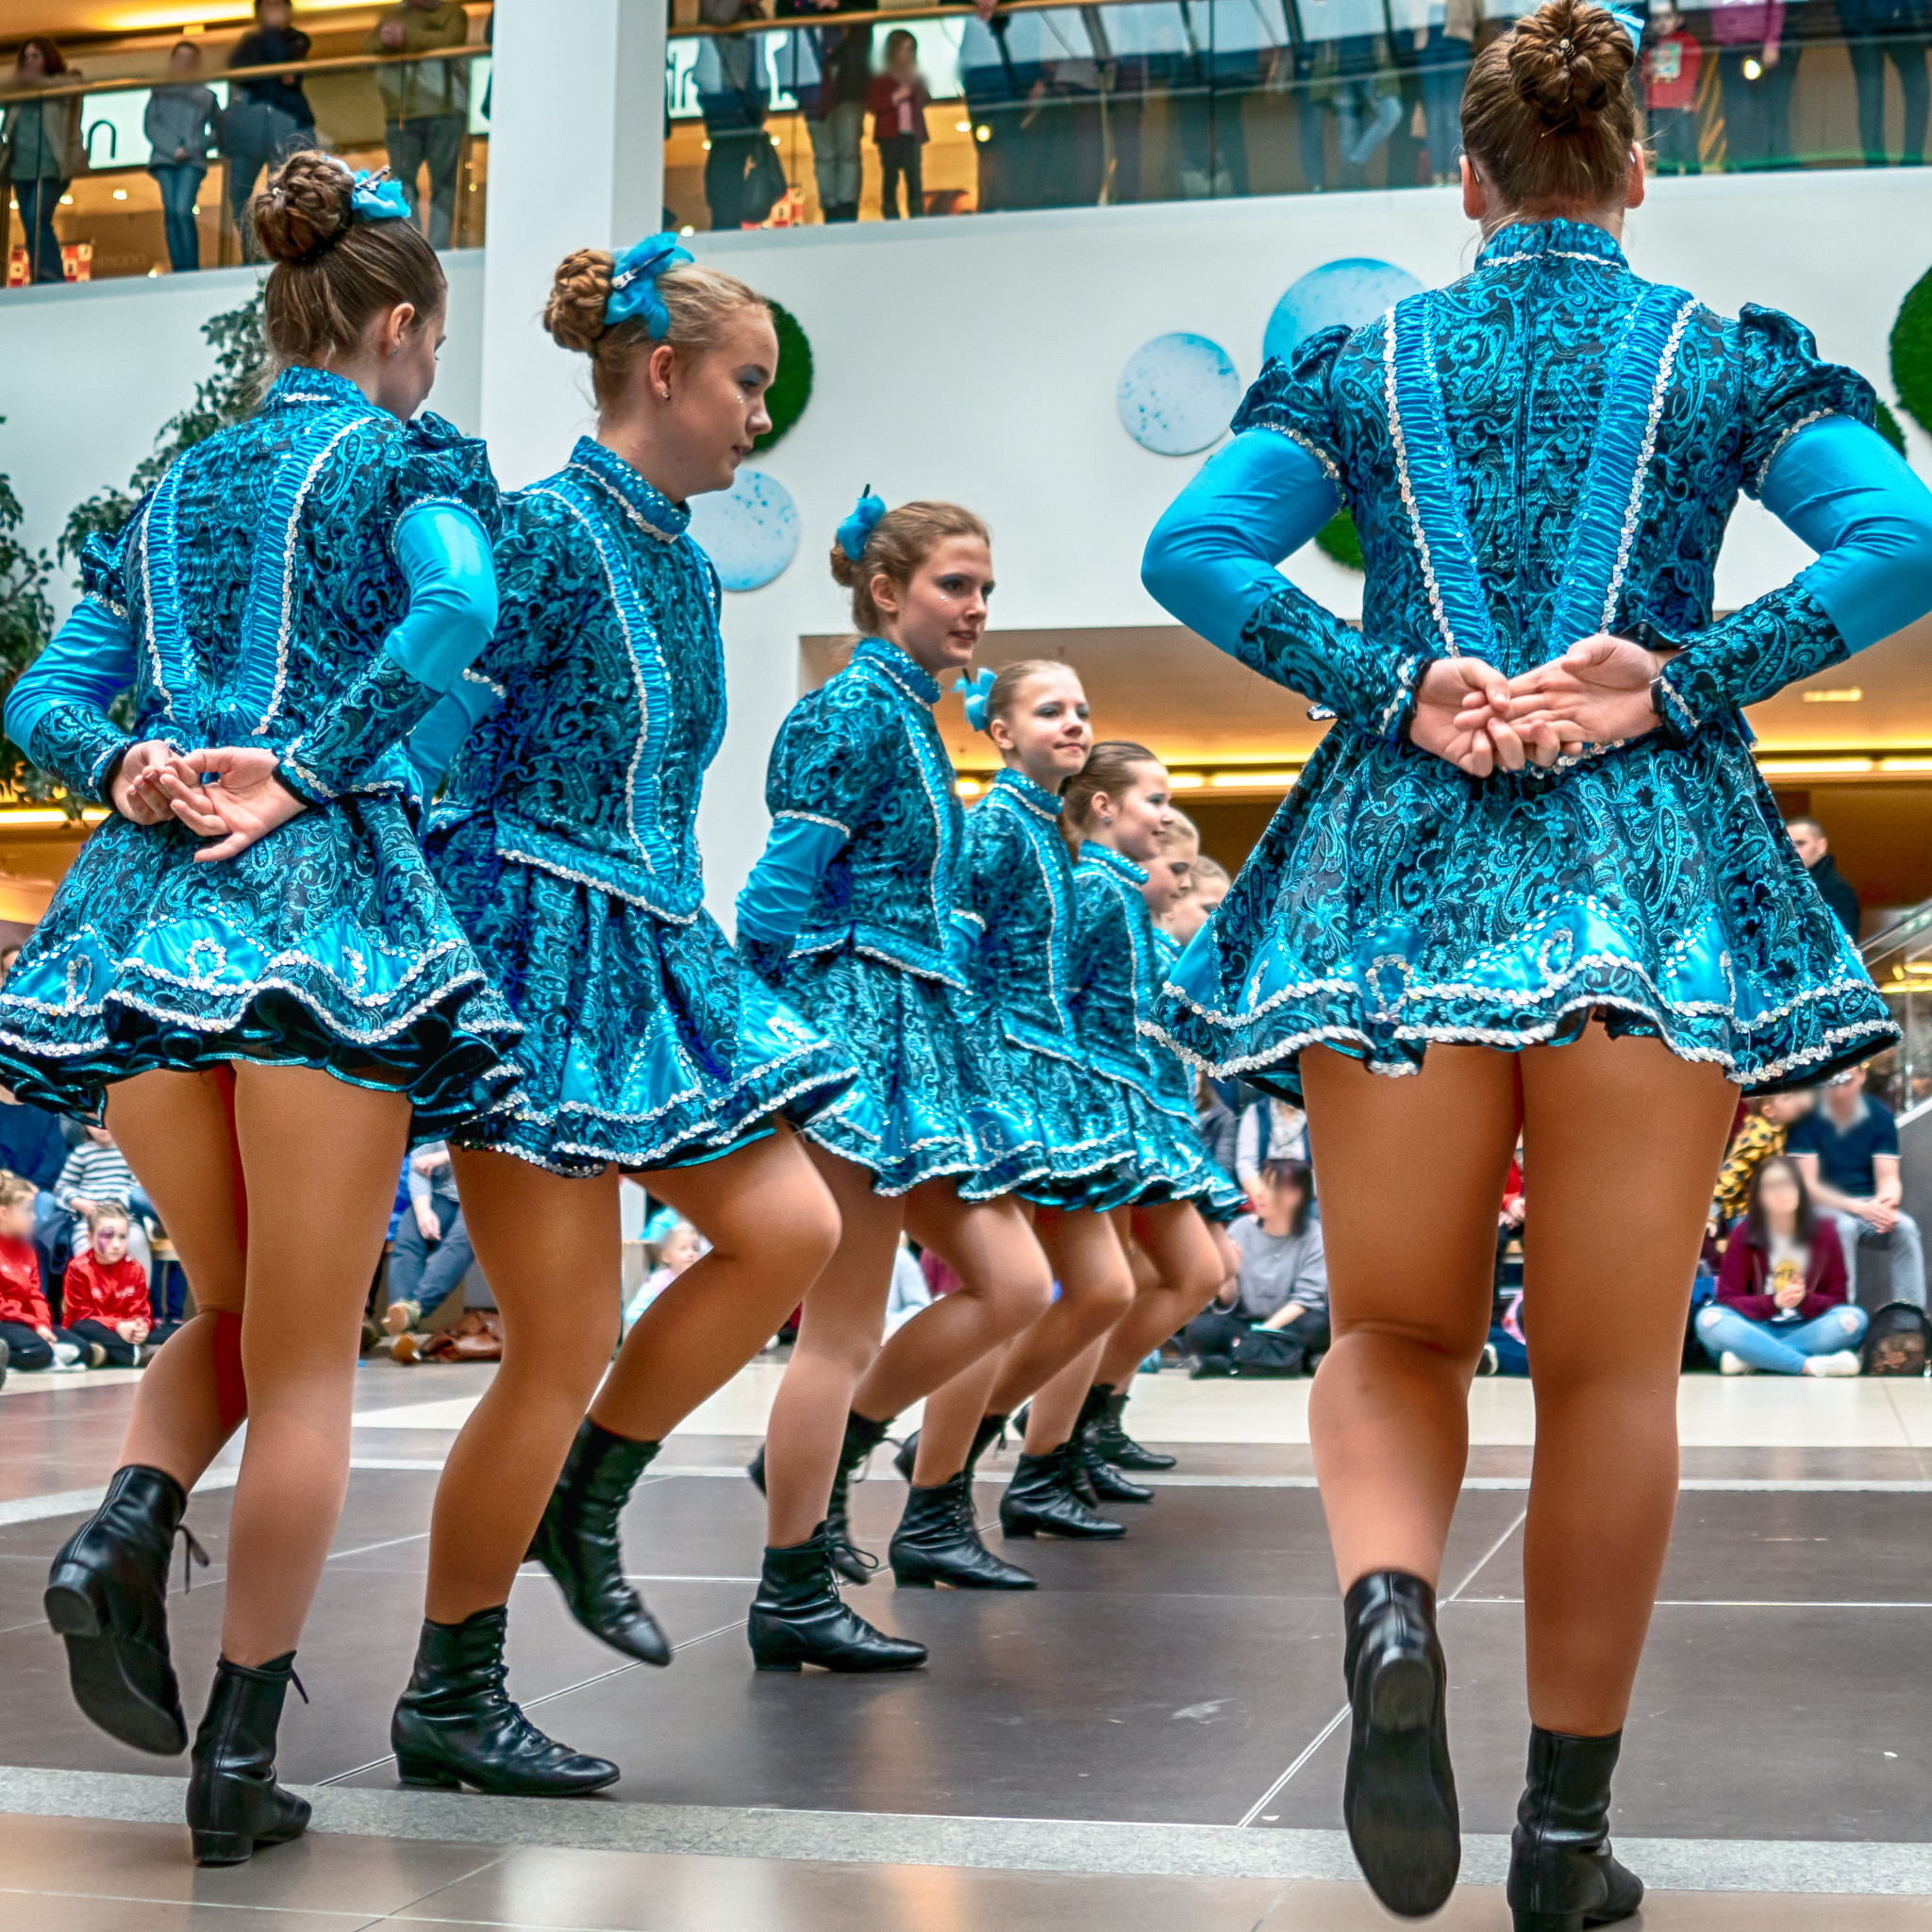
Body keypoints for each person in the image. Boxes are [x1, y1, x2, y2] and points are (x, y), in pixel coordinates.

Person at [1141, 0, 1932, 1918]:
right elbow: (1899, 537)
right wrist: (1683, 678)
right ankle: (1563, 1844)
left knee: (1391, 1332)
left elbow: (1193, 553)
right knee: (1603, 1374)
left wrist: (1385, 685)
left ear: (1465, 179)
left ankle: (1389, 1604)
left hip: (1401, 879)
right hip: (1644, 887)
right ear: (1641, 169)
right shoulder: (1724, 356)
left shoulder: (1359, 360)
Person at [3, 150, 517, 1865]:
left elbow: (45, 693)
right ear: (394, 324)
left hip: (146, 928)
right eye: (429, 343)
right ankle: (236, 1753)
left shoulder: (170, 495)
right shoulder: (396, 460)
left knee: (224, 1306)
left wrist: (134, 765)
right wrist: (302, 766)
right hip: (323, 925)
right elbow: (459, 602)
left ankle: (123, 1530)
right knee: (305, 1359)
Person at [395, 236, 853, 1788]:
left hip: (651, 937)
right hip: (533, 941)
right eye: (745, 382)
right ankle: (451, 1685)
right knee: (555, 1336)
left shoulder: (672, 550)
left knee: (791, 1227)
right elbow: (430, 733)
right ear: (662, 372)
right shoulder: (534, 534)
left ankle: (588, 1498)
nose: (755, 416)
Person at [733, 494, 1058, 1668]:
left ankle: (828, 1454)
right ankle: (790, 1582)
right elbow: (774, 897)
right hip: (863, 1034)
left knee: (1015, 1284)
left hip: (921, 1036)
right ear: (884, 590)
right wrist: (774, 1035)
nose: (975, 610)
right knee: (838, 1325)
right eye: (953, 586)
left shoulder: (912, 723)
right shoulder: (850, 715)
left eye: (983, 590)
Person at [896, 661, 1141, 1565]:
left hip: (1057, 1079)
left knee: (1104, 1289)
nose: (1075, 724)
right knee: (1002, 1292)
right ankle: (933, 1503)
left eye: (1082, 709)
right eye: (1050, 711)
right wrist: (976, 1080)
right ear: (999, 733)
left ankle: (951, 1459)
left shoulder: (1051, 838)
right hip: (1005, 1080)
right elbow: (960, 963)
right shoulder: (995, 828)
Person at [1696, 1156, 1866, 1373]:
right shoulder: (1743, 1234)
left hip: (1807, 1327)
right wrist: (1774, 1302)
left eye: (1788, 1183)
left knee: (1853, 1319)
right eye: (1772, 1186)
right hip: (1756, 1327)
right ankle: (1808, 1365)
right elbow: (1728, 1299)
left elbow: (1837, 1299)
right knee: (1708, 1320)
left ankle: (1752, 1359)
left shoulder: (1825, 1233)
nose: (1782, 1191)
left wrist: (1803, 1300)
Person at [1788, 1066, 1926, 1309]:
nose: (1838, 1089)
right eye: (1832, 1081)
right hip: (1820, 1206)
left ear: (1863, 1076)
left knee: (1905, 1228)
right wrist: (1861, 1208)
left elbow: (1889, 1178)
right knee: (1843, 1227)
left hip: (1866, 1204)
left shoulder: (1879, 1115)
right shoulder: (1806, 1116)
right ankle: (1843, 1313)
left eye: (1846, 1081)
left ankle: (1910, 1316)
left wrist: (1887, 1202)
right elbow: (1807, 1186)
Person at [1184, 1158, 1329, 1371]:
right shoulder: (1240, 1228)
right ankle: (1290, 1360)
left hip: (1287, 1325)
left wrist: (1263, 1333)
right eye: (1261, 1183)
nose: (1259, 1193)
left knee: (1319, 1326)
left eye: (1270, 1186)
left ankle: (1232, 1362)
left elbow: (1306, 1300)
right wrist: (1229, 1270)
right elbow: (1226, 1301)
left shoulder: (1315, 1235)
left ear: (1295, 1196)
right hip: (1245, 1325)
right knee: (1202, 1330)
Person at [365, 0, 472, 251]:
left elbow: (450, 40)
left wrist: (404, 36)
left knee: (443, 183)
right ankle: (412, 247)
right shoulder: (394, 14)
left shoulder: (452, 13)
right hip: (401, 114)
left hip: (444, 111)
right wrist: (384, 39)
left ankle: (439, 248)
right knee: (402, 183)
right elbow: (368, 47)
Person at [225, 2, 316, 258]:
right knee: (239, 194)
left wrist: (270, 39)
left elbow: (287, 72)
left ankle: (283, 251)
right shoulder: (247, 42)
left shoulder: (297, 39)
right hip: (252, 129)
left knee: (284, 191)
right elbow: (239, 74)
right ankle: (251, 254)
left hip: (287, 124)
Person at [778, 0, 876, 221]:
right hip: (811, 77)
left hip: (849, 74)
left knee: (848, 148)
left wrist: (838, 4)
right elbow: (781, 11)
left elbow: (869, 9)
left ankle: (847, 208)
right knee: (824, 152)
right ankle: (831, 208)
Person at [0, 40, 85, 286]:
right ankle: (39, 274)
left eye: (36, 55)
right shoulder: (18, 89)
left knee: (37, 218)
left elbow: (74, 87)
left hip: (51, 166)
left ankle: (50, 276)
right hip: (20, 167)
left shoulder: (65, 81)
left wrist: (33, 82)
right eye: (26, 57)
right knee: (29, 223)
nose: (30, 62)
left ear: (49, 58)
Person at [0, 1173, 99, 1371]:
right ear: (4, 1213)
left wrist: (42, 1324)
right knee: (40, 1351)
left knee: (84, 1350)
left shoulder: (28, 1250)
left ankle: (47, 1355)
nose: (34, 1217)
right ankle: (43, 1355)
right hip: (5, 1321)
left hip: (27, 1323)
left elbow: (36, 1295)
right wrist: (34, 1325)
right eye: (27, 1211)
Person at [381, 1141, 473, 1341]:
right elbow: (419, 1165)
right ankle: (403, 1329)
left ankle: (414, 1308)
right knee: (409, 1227)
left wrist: (444, 1157)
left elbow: (497, 1150)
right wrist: (423, 1213)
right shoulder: (436, 1118)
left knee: (465, 1237)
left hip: (481, 1196)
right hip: (442, 1195)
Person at [145, 42, 217, 275]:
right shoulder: (159, 91)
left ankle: (189, 267)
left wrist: (193, 147)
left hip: (191, 162)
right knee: (171, 212)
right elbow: (150, 124)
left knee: (182, 209)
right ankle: (179, 267)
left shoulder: (207, 96)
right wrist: (172, 149)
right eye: (180, 58)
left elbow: (218, 132)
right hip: (165, 161)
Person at [1838, 0, 1929, 168]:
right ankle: (1875, 166)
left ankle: (1912, 161)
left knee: (1918, 88)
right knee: (1869, 95)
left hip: (1904, 16)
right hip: (1862, 18)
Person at [62, 1207, 156, 1368]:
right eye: (107, 1236)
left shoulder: (135, 1268)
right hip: (91, 1330)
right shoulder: (78, 1268)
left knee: (171, 1331)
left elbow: (141, 1311)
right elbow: (80, 1315)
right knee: (81, 1327)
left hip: (126, 1332)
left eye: (122, 1237)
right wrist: (118, 1326)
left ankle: (110, 1355)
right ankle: (135, 1355)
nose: (116, 1244)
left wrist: (141, 1327)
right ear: (90, 1238)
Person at [1711, 1091, 1814, 1225]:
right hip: (1743, 1211)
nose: (1796, 1101)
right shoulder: (1759, 1135)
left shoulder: (1778, 1126)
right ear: (1769, 1111)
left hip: (1766, 1205)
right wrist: (1715, 1209)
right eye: (1787, 1098)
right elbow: (1733, 1171)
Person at [1710, 0, 1783, 169]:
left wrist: (1772, 43)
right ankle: (1737, 165)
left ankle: (1760, 165)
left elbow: (1777, 6)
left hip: (1758, 48)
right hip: (1728, 48)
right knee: (1734, 110)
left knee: (1760, 110)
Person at [868, 28, 931, 219]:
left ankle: (916, 209)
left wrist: (915, 85)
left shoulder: (915, 78)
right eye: (904, 50)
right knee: (890, 173)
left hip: (911, 134)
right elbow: (874, 104)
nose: (907, 55)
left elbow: (926, 99)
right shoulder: (882, 79)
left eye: (910, 50)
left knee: (914, 174)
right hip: (890, 136)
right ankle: (890, 209)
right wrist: (896, 97)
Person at [1418, 0, 1479, 184]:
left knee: (1453, 112)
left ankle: (1454, 173)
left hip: (1456, 38)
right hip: (1426, 39)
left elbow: (1478, 10)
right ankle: (1437, 174)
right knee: (1434, 113)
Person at [1642, 0, 1704, 175]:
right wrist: (1648, 70)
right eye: (1657, 18)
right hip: (1657, 108)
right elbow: (1643, 79)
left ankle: (1695, 182)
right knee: (1662, 150)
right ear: (1651, 23)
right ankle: (1667, 182)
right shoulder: (1651, 49)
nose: (1662, 23)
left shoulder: (1688, 44)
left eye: (1668, 17)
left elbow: (1691, 73)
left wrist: (1687, 99)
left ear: (1679, 19)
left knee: (1686, 146)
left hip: (1680, 107)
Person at [1785, 815, 1860, 937]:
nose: (1793, 851)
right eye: (1788, 845)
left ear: (1821, 846)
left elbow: (1842, 940)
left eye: (1800, 843)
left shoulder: (1835, 888)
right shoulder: (1795, 882)